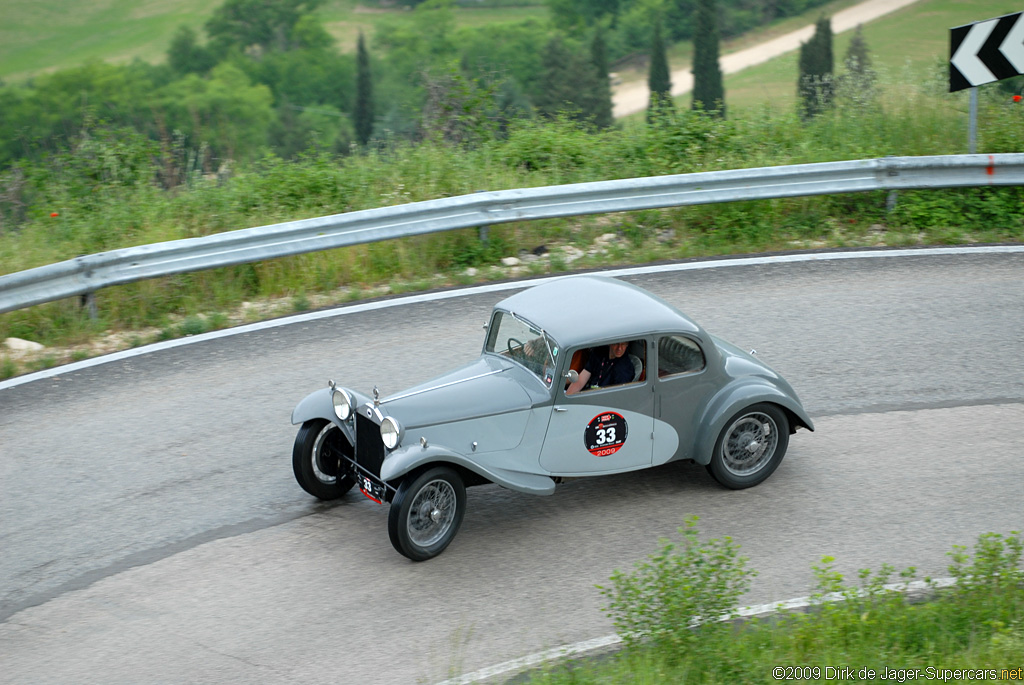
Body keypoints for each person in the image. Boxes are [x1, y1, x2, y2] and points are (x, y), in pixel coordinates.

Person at [566, 341, 635, 394]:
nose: (619, 348)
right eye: (616, 343)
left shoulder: (625, 369)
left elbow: (616, 396)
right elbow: (581, 379)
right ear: (610, 343)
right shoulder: (599, 352)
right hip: (587, 393)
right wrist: (567, 396)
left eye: (623, 344)